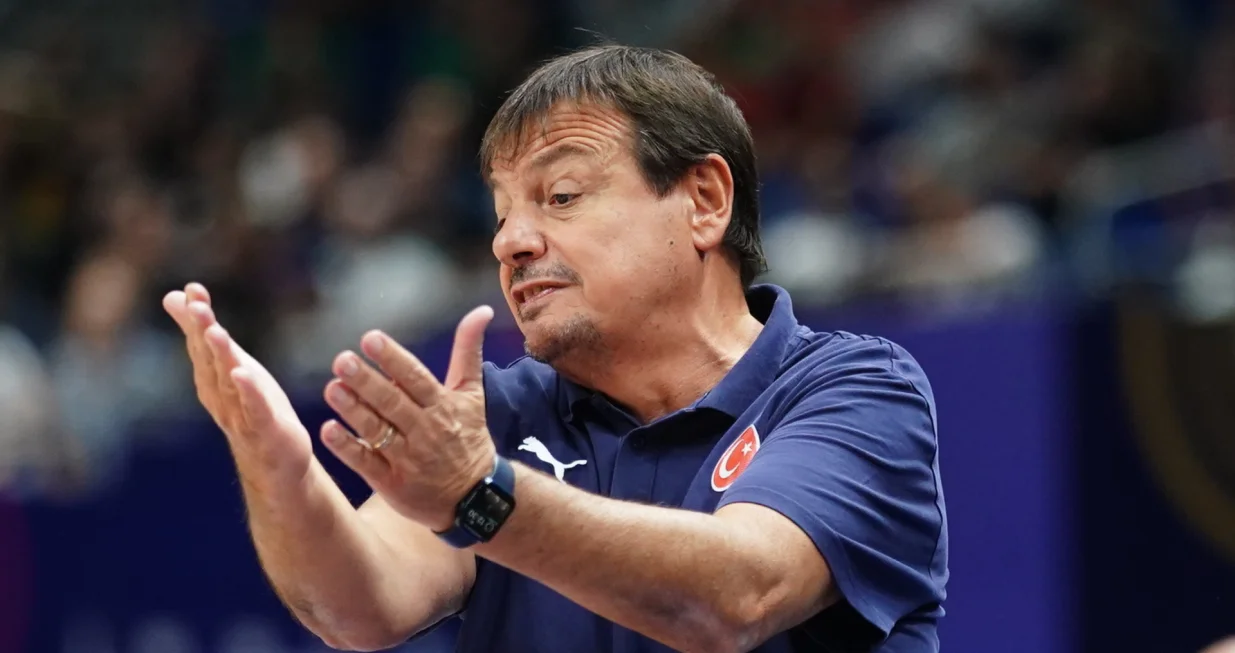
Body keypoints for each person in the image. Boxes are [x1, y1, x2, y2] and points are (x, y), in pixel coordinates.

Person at [164, 45, 948, 653]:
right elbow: (359, 607)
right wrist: (278, 469)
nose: (512, 240)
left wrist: (483, 495)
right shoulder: (502, 412)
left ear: (704, 201)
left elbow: (735, 595)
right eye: (500, 213)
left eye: (560, 196)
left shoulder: (855, 391)